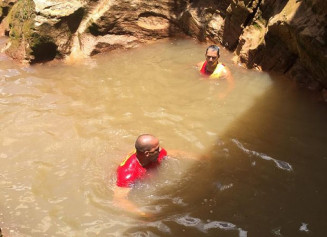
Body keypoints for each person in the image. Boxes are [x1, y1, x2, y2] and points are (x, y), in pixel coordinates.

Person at [113, 134, 168, 216]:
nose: (160, 150)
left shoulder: (155, 153)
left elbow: (176, 153)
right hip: (133, 186)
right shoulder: (128, 174)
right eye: (157, 149)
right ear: (147, 153)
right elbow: (118, 200)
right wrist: (143, 214)